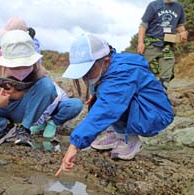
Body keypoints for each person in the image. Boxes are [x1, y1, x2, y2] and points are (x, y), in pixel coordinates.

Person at [56, 34, 174, 175]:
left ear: (105, 61)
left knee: (111, 102)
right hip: (142, 108)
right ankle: (116, 133)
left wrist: (75, 145)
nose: (85, 76)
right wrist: (96, 94)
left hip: (153, 114)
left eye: (88, 70)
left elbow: (107, 108)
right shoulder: (110, 66)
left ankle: (130, 139)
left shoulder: (123, 73)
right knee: (104, 93)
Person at [0, 30, 82, 147]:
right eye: (15, 66)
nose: (20, 69)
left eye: (24, 64)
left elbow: (49, 91)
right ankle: (3, 128)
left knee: (47, 84)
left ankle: (24, 130)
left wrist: (20, 94)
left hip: (25, 109)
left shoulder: (36, 67)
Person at [137, 0, 187, 89]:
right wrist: (140, 42)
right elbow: (143, 25)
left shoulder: (179, 7)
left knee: (166, 77)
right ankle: (145, 96)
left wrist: (183, 33)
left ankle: (161, 97)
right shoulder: (153, 5)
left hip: (167, 47)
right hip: (151, 45)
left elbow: (179, 25)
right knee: (145, 73)